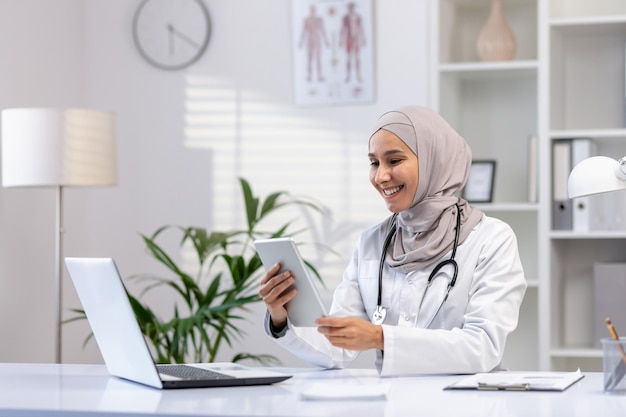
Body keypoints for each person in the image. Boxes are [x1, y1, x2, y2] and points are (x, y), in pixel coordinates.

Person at [259, 105, 527, 376]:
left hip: (469, 404)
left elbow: (482, 347)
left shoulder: (491, 238)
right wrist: (281, 317)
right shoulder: (372, 243)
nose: (380, 176)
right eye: (374, 162)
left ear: (435, 159)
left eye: (394, 160)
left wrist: (381, 338)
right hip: (392, 403)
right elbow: (336, 349)